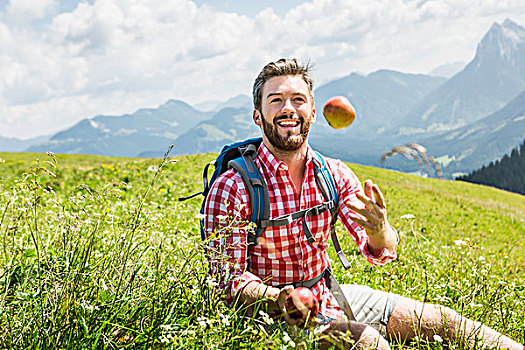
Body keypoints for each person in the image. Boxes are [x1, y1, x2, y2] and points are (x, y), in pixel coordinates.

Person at [203, 58, 523, 349]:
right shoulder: (233, 187)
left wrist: (380, 231)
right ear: (258, 116)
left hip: (327, 293)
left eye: (298, 100)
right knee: (368, 342)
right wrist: (280, 297)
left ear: (313, 113)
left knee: (442, 320)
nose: (288, 108)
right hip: (268, 317)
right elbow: (227, 283)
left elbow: (383, 247)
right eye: (276, 100)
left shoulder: (333, 174)